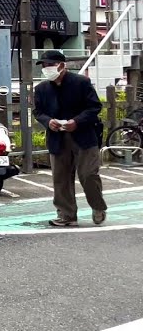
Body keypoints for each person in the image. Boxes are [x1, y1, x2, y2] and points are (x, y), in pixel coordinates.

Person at [34, 50, 108, 227]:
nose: (46, 68)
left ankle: (98, 206)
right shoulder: (41, 88)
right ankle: (67, 215)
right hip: (57, 138)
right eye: (44, 65)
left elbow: (94, 107)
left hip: (84, 136)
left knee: (88, 175)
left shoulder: (81, 82)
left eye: (50, 65)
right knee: (60, 178)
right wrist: (48, 121)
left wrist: (77, 121)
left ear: (62, 65)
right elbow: (38, 112)